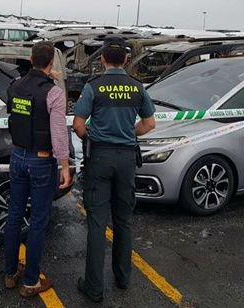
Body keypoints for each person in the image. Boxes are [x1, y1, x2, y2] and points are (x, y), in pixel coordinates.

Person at [72, 37, 156, 302]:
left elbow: (78, 124)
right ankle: (123, 278)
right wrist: (128, 133)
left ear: (103, 59)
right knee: (124, 221)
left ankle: (94, 287)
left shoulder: (93, 87)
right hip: (126, 159)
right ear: (127, 60)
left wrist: (92, 138)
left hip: (100, 157)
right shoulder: (136, 87)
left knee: (97, 223)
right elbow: (149, 123)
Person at [3, 41, 72, 297]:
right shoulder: (54, 93)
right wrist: (65, 166)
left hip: (17, 157)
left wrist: (42, 78)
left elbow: (22, 105)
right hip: (41, 162)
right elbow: (58, 135)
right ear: (52, 63)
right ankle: (31, 281)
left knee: (13, 215)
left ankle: (10, 274)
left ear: (31, 60)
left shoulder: (15, 85)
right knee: (38, 222)